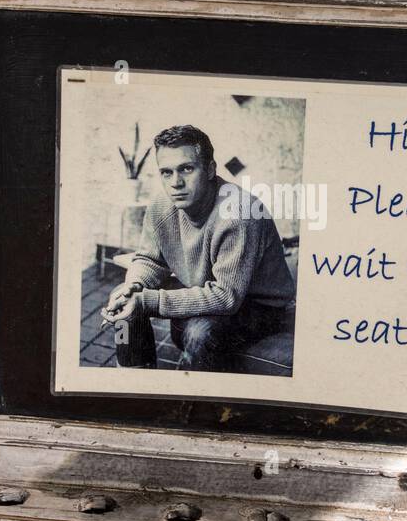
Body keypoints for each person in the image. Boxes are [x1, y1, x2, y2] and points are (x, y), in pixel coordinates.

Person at [104, 124, 296, 372]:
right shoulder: (162, 206)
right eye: (166, 172)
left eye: (186, 169)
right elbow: (149, 260)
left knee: (198, 332)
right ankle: (134, 380)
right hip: (208, 287)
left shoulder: (239, 214)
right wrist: (135, 284)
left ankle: (194, 402)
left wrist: (149, 300)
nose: (176, 182)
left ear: (210, 170)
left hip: (260, 306)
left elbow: (227, 297)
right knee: (126, 299)